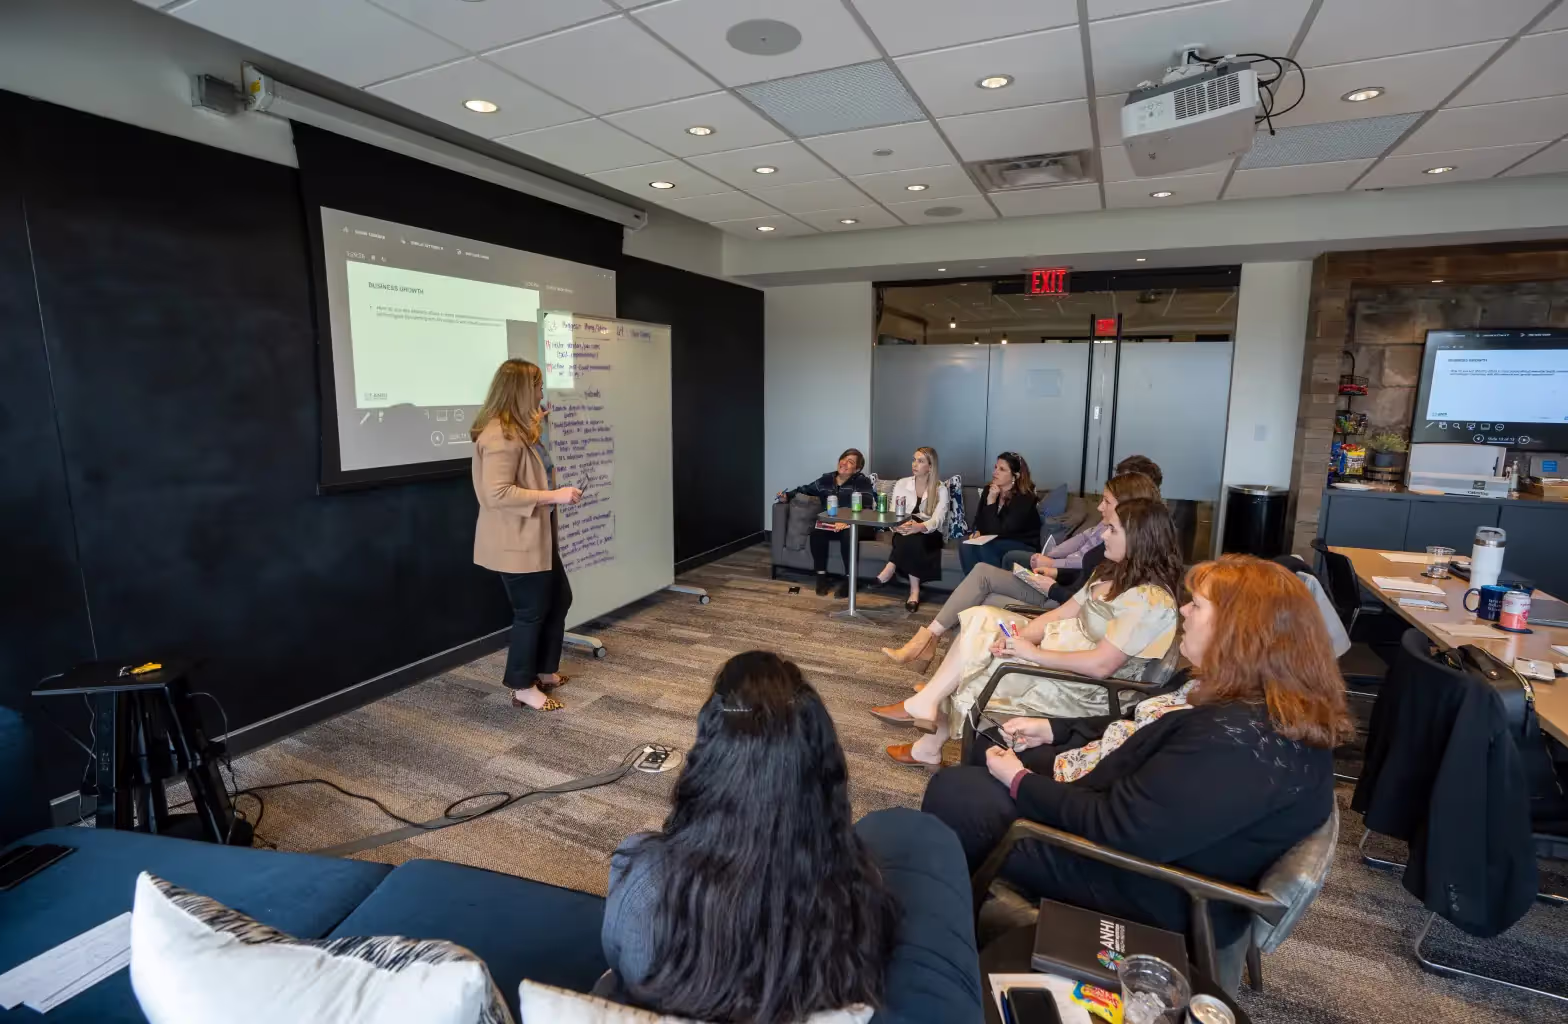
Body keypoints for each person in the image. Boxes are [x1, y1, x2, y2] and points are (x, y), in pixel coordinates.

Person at [921, 555, 1350, 947]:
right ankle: (968, 906)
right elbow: (1136, 722)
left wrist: (1021, 781)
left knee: (956, 793)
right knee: (985, 754)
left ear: (1239, 630)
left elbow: (1117, 827)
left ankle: (949, 936)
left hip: (1154, 887)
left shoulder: (1234, 742)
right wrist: (1053, 728)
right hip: (1144, 825)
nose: (1183, 611)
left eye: (1197, 606)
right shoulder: (1240, 694)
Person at [601, 651, 900, 1023]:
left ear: (710, 761)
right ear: (822, 770)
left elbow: (621, 970)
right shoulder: (858, 888)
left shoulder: (643, 875)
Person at [872, 498, 1183, 766]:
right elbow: (1061, 613)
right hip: (1057, 649)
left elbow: (1102, 665)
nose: (1105, 536)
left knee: (978, 658)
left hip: (1084, 686)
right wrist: (1020, 639)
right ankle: (927, 713)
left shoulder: (1150, 600)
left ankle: (927, 733)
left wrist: (1031, 652)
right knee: (983, 620)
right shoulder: (1109, 573)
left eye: (1113, 530)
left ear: (1140, 538)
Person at [881, 471, 1164, 671]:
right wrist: (1050, 563)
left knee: (980, 590)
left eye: (1107, 501)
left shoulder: (1118, 549)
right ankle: (935, 655)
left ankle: (932, 653)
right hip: (1058, 590)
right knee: (980, 571)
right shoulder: (1108, 537)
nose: (1099, 506)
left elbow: (1078, 595)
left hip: (1057, 599)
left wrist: (1051, 578)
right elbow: (989, 524)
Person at [471, 359, 582, 713]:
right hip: (516, 541)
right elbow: (497, 493)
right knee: (530, 612)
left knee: (559, 599)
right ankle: (521, 685)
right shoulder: (500, 437)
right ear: (521, 391)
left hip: (535, 537)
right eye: (537, 387)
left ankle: (545, 671)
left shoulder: (518, 430)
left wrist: (537, 422)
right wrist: (554, 495)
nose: (541, 392)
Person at [1009, 455, 1165, 591]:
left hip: (1068, 586)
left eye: (1122, 481)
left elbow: (1085, 571)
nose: (1100, 506)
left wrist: (1054, 566)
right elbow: (1085, 537)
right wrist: (1052, 557)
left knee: (1007, 563)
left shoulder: (1128, 539)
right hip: (1066, 578)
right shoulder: (1110, 522)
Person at [777, 449, 876, 597]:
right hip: (832, 524)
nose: (844, 463)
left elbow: (866, 506)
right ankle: (821, 577)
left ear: (857, 469)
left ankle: (850, 580)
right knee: (816, 533)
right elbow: (805, 489)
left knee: (848, 535)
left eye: (850, 462)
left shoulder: (862, 481)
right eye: (843, 459)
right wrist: (787, 496)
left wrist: (847, 522)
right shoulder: (826, 479)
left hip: (858, 524)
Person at [873, 447, 949, 612]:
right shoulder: (902, 483)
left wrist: (920, 527)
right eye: (914, 460)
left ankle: (891, 566)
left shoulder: (940, 488)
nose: (915, 464)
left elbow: (938, 519)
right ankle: (914, 593)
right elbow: (893, 512)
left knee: (916, 537)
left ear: (930, 466)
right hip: (904, 528)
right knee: (908, 536)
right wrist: (898, 526)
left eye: (920, 461)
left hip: (929, 532)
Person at [959, 453, 1040, 574]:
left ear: (1015, 476)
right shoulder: (988, 490)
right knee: (965, 544)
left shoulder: (1024, 498)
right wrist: (977, 532)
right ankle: (973, 585)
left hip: (1020, 542)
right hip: (995, 538)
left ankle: (993, 586)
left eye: (1002, 469)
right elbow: (979, 520)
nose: (995, 472)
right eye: (996, 467)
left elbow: (1003, 530)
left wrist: (991, 502)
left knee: (986, 547)